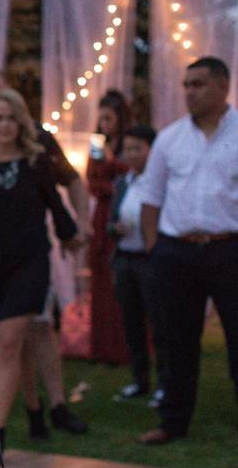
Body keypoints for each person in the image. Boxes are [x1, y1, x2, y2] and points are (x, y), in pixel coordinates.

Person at [0, 69, 90, 441]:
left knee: (20, 335)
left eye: (5, 109)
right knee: (11, 339)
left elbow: (65, 187)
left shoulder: (38, 148)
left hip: (31, 260)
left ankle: (11, 426)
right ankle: (36, 412)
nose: (0, 119)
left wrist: (78, 229)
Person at [138, 56, 238, 445]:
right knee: (176, 342)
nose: (189, 92)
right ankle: (172, 422)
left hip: (229, 250)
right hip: (176, 251)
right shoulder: (170, 138)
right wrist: (154, 248)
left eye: (198, 84)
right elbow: (150, 196)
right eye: (186, 84)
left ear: (223, 87)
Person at [108, 125, 167, 403]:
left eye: (137, 148)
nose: (130, 154)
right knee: (131, 322)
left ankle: (166, 383)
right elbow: (110, 219)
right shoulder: (122, 183)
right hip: (125, 258)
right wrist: (114, 228)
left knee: (159, 322)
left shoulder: (160, 183)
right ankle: (139, 380)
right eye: (127, 148)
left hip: (150, 259)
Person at [88, 90, 131, 365]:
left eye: (109, 118)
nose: (104, 124)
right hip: (103, 214)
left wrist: (111, 161)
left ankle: (124, 348)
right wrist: (109, 186)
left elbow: (132, 174)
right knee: (101, 280)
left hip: (125, 213)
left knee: (122, 283)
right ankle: (101, 347)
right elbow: (91, 180)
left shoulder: (129, 143)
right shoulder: (96, 143)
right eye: (101, 118)